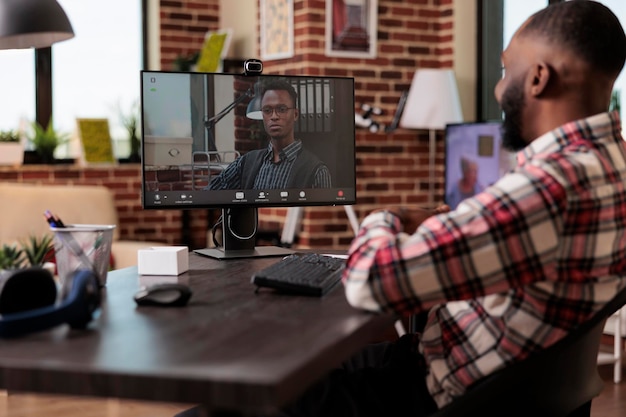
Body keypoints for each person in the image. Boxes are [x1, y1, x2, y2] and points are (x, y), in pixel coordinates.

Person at [276, 2, 626, 416]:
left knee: (251, 397)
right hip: (505, 383)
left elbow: (371, 282)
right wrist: (456, 227)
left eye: (504, 70)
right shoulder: (612, 165)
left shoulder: (550, 188)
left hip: (441, 393)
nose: (499, 90)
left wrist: (389, 218)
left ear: (537, 78)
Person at [206, 79, 332, 190]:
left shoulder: (316, 171)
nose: (274, 116)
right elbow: (209, 193)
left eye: (281, 109)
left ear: (295, 115)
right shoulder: (246, 163)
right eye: (267, 110)